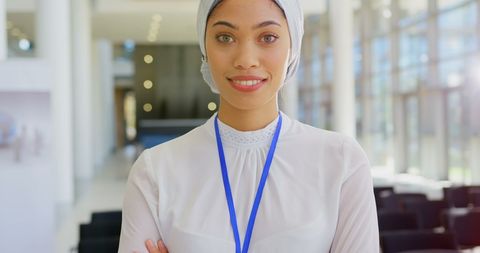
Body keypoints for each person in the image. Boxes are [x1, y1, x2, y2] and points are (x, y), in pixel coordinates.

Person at [118, 0, 379, 252]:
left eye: (267, 37)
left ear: (293, 47)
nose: (246, 60)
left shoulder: (342, 161)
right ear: (204, 49)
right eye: (225, 37)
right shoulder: (155, 171)